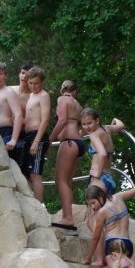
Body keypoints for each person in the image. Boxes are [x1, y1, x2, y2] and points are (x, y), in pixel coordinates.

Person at [83, 165, 135, 268]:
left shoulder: (102, 212)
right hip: (128, 245)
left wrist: (88, 258)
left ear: (99, 196)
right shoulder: (118, 197)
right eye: (90, 205)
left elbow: (95, 237)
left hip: (113, 246)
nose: (93, 207)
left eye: (93, 203)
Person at [49, 81, 84, 229]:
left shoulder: (63, 99)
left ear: (62, 90)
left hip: (68, 142)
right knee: (67, 181)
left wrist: (49, 139)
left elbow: (62, 120)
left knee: (60, 180)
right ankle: (67, 216)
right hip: (78, 142)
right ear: (74, 91)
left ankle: (68, 218)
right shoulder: (78, 104)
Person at [20, 67, 51, 201]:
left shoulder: (43, 95)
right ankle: (31, 204)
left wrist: (37, 141)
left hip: (37, 136)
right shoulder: (31, 96)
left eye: (36, 83)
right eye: (30, 83)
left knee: (35, 173)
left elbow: (45, 119)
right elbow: (29, 118)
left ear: (42, 83)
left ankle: (39, 209)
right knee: (26, 173)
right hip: (28, 136)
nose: (33, 86)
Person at [81, 108, 121, 197]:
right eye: (84, 124)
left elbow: (103, 154)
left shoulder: (94, 135)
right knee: (107, 209)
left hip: (99, 179)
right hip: (109, 178)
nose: (87, 127)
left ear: (97, 120)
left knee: (93, 209)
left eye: (89, 123)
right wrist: (114, 119)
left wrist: (97, 173)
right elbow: (121, 126)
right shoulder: (107, 128)